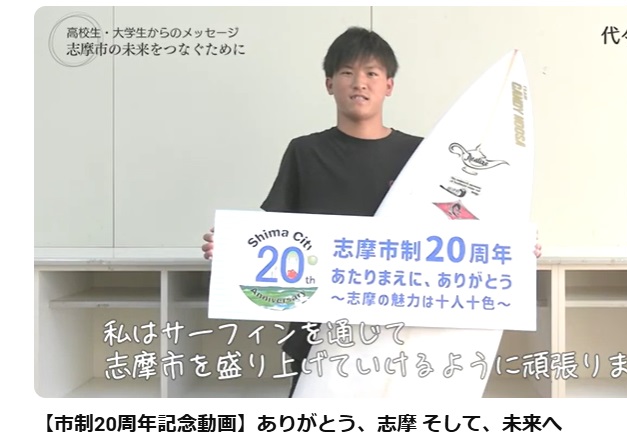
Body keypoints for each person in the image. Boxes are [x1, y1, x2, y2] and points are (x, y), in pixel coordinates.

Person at [201, 26, 542, 398]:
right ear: (329, 84)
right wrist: (231, 248)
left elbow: (463, 223)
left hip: (404, 331)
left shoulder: (423, 156)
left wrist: (513, 249)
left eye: (372, 73)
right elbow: (275, 232)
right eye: (347, 72)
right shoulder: (305, 152)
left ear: (389, 85)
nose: (359, 83)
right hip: (319, 328)